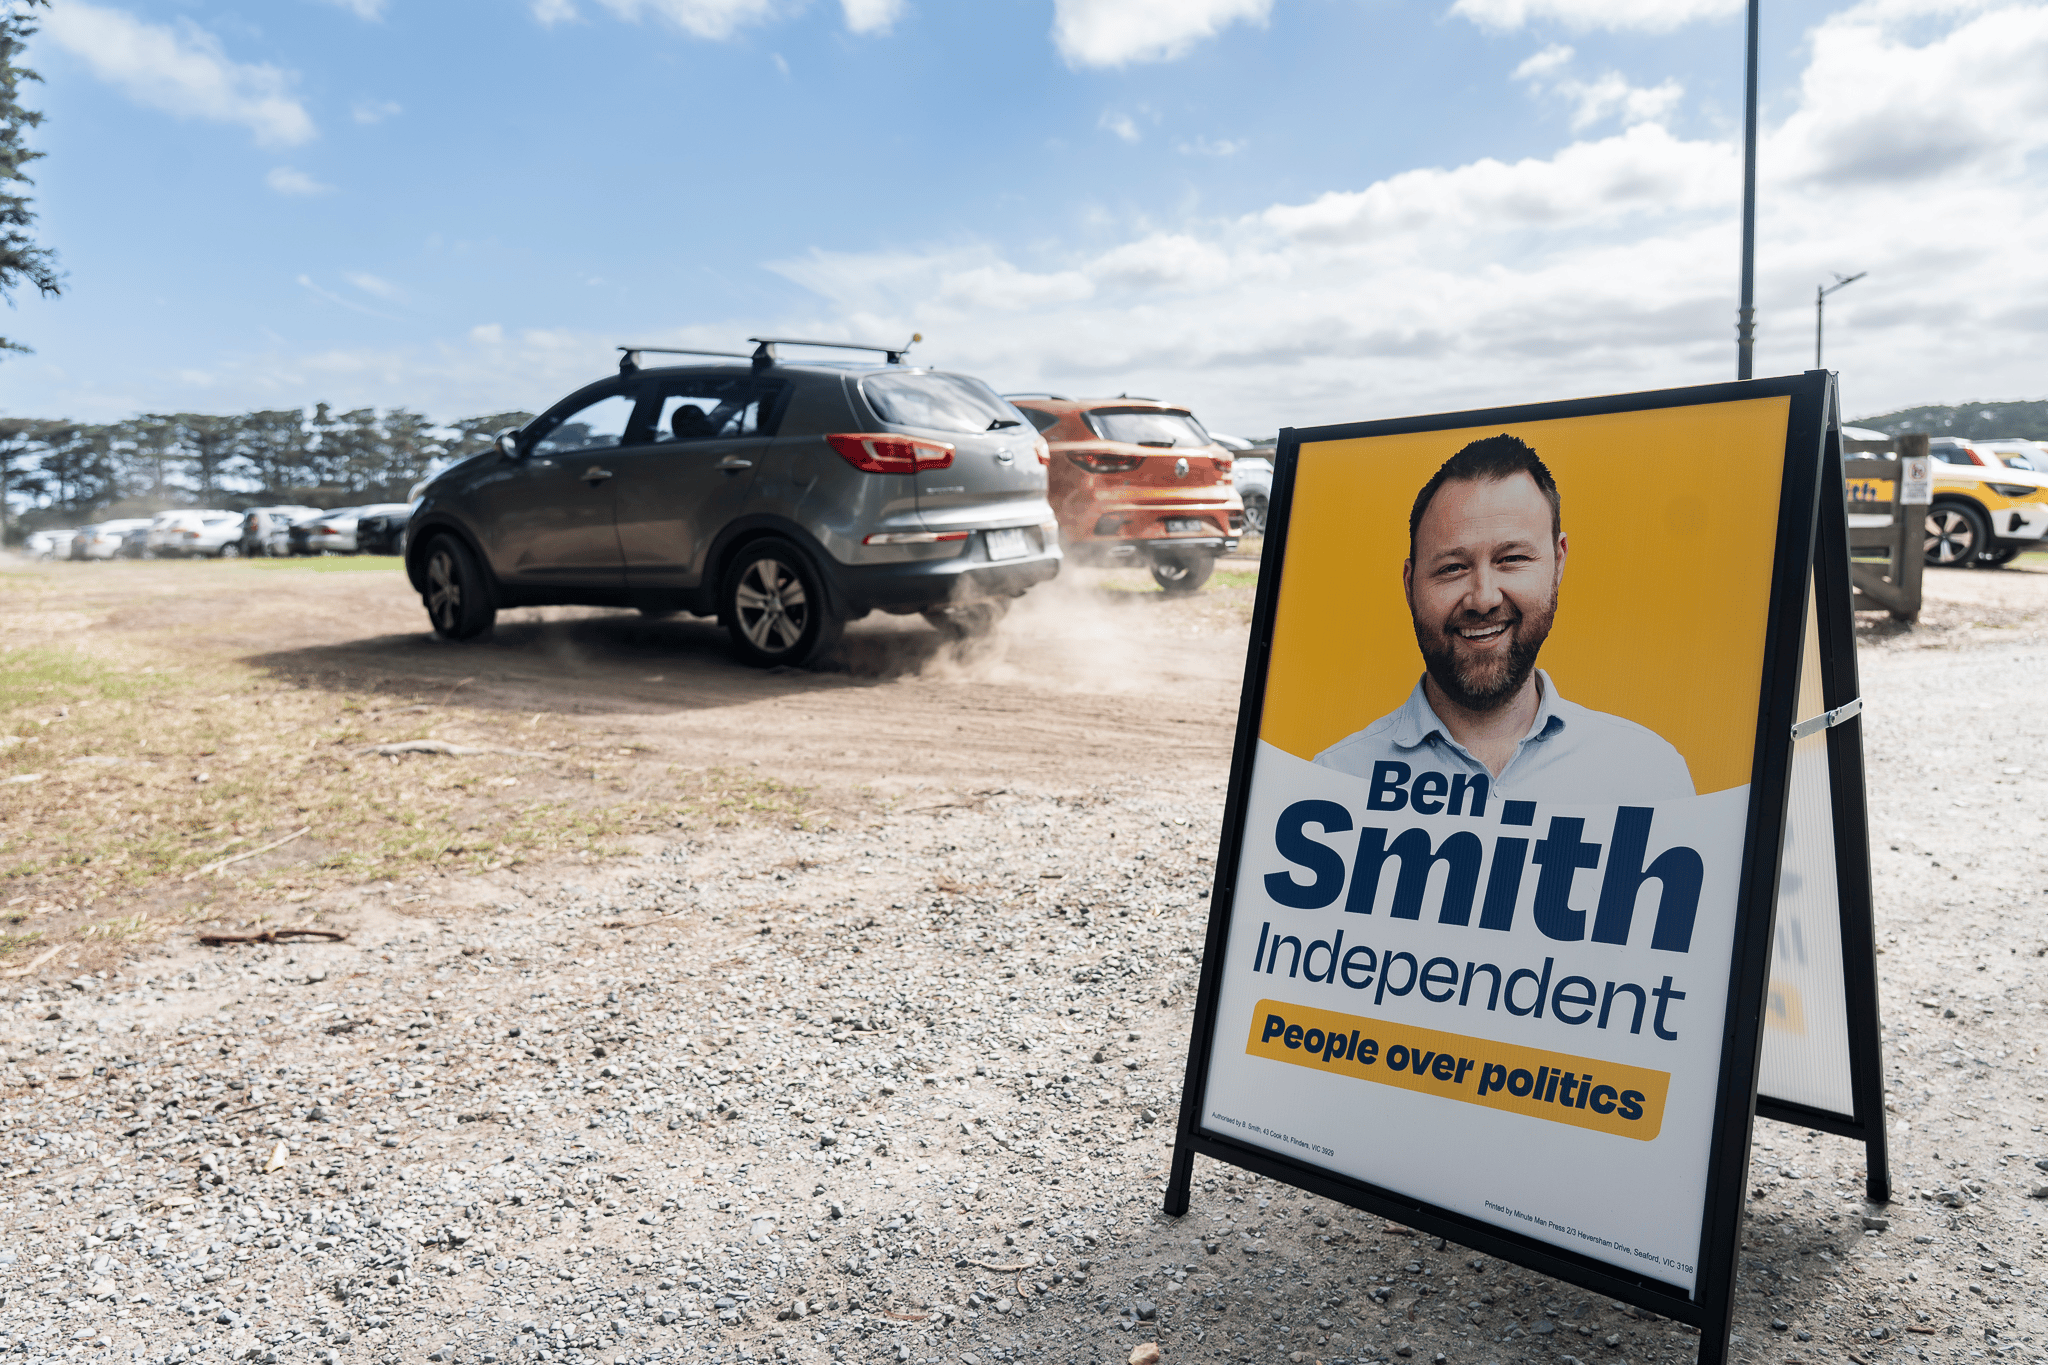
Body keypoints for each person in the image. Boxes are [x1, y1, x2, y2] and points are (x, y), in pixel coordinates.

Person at [1313, 434, 1695, 806]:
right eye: (1452, 567)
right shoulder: (1331, 784)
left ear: (1557, 562)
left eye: (1512, 559)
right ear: (1410, 585)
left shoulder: (1651, 779)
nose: (1484, 598)